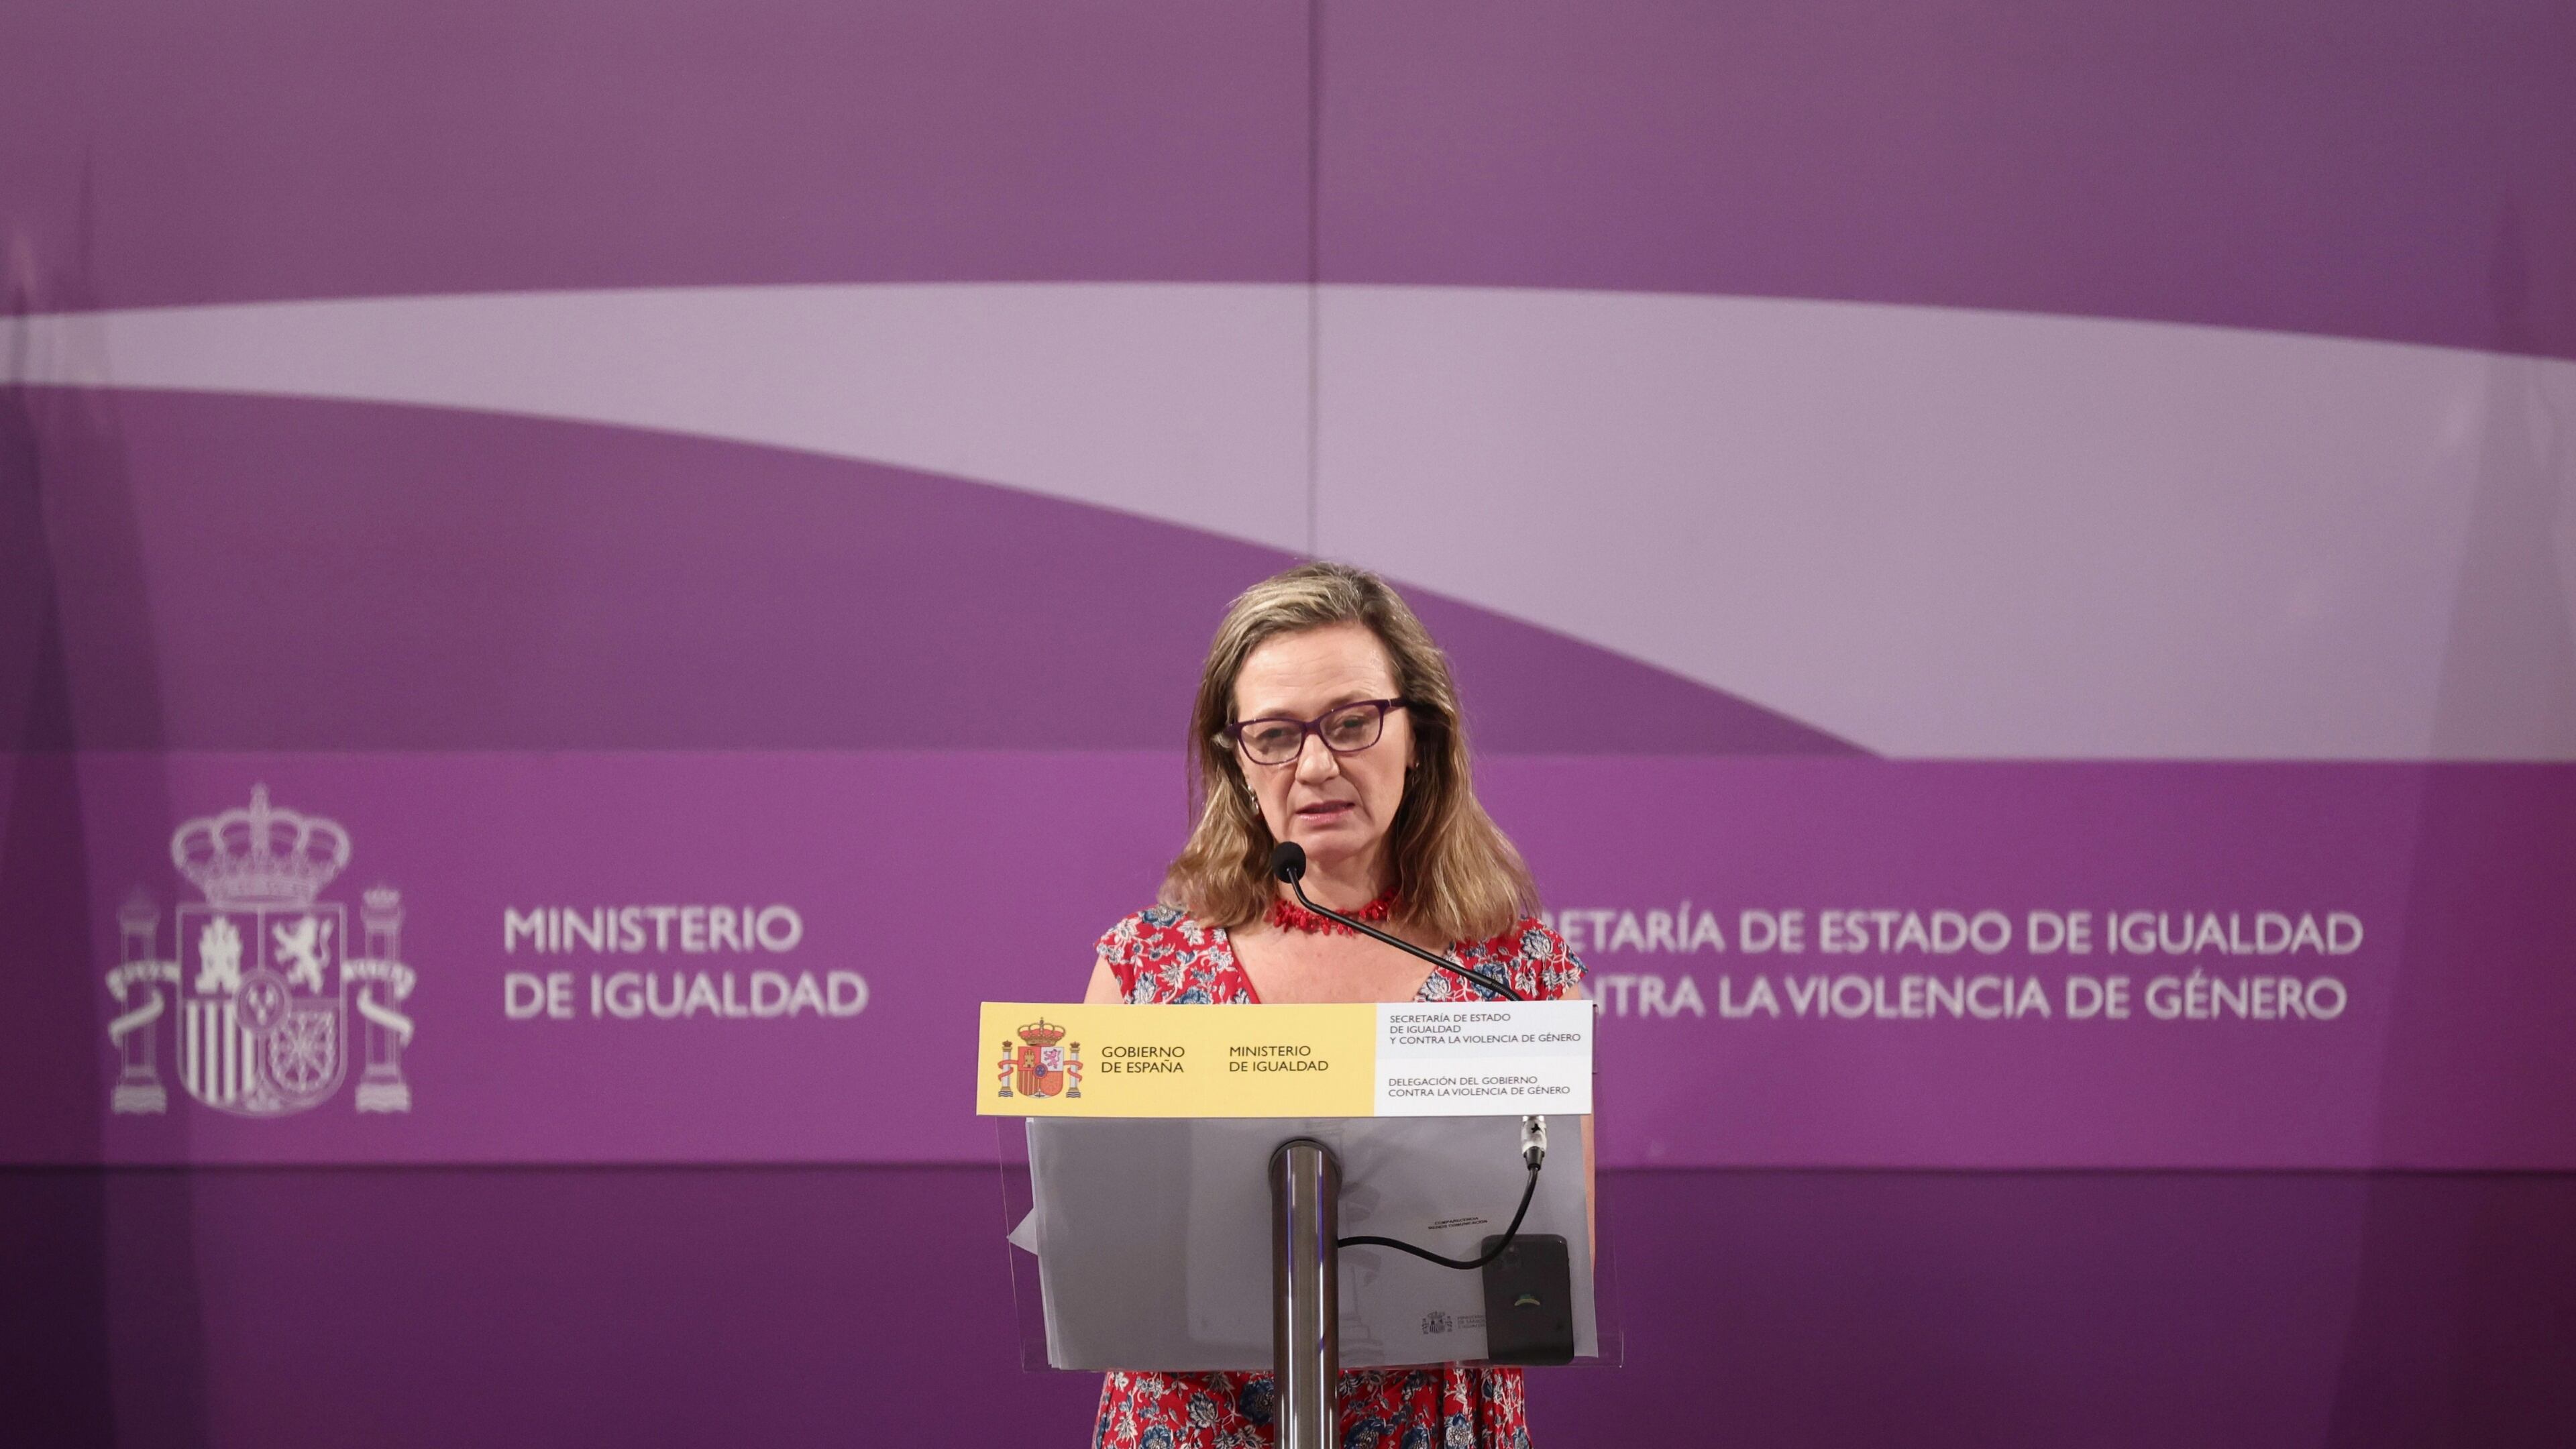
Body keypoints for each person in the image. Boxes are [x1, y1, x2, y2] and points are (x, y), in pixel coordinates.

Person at [1083, 561, 1587, 1449]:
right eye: (1275, 735)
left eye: (1353, 724)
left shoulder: (1520, 977)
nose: (1316, 766)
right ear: (1236, 763)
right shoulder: (1143, 973)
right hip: (1193, 1423)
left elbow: (1544, 1277)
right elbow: (1099, 1261)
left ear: (1420, 736)